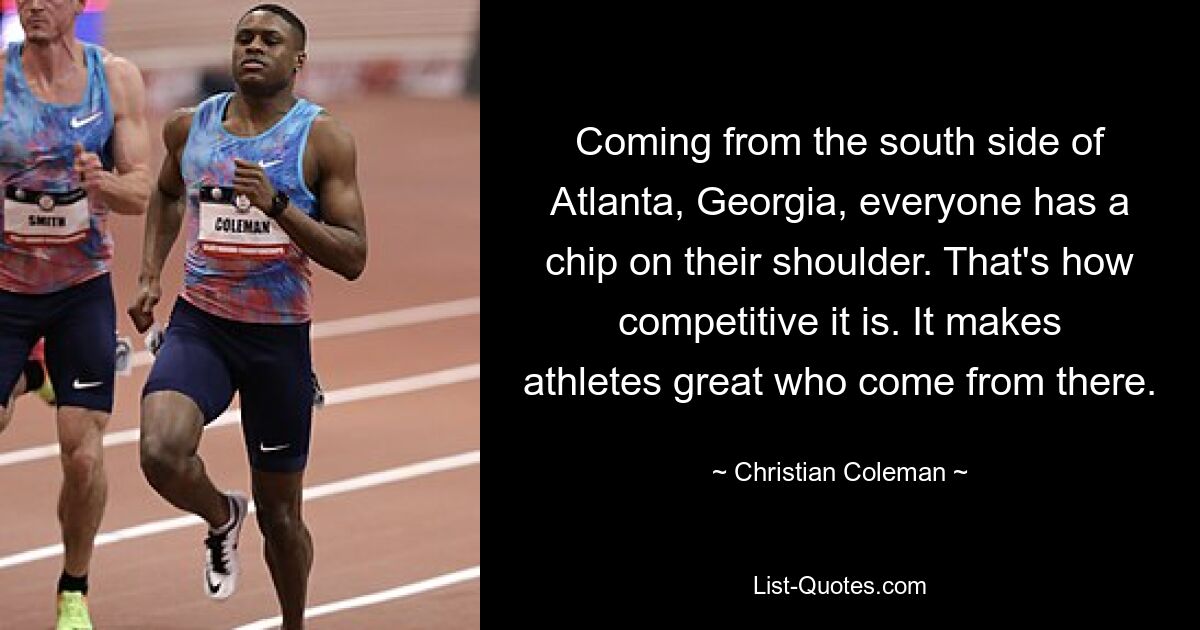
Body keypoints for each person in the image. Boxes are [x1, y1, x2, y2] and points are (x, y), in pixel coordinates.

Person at [129, 4, 367, 628]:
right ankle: (218, 516)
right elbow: (165, 191)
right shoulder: (190, 128)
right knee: (159, 450)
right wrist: (151, 272)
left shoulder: (323, 137)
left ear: (298, 61)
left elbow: (354, 257)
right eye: (244, 37)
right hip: (201, 325)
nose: (253, 47)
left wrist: (280, 205)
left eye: (270, 39)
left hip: (278, 343)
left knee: (282, 516)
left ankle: (294, 622)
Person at [0, 0, 152, 627]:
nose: (34, 5)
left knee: (82, 453)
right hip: (5, 288)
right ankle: (30, 375)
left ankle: (73, 590)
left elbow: (141, 190)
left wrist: (103, 184)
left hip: (80, 290)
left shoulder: (114, 78)